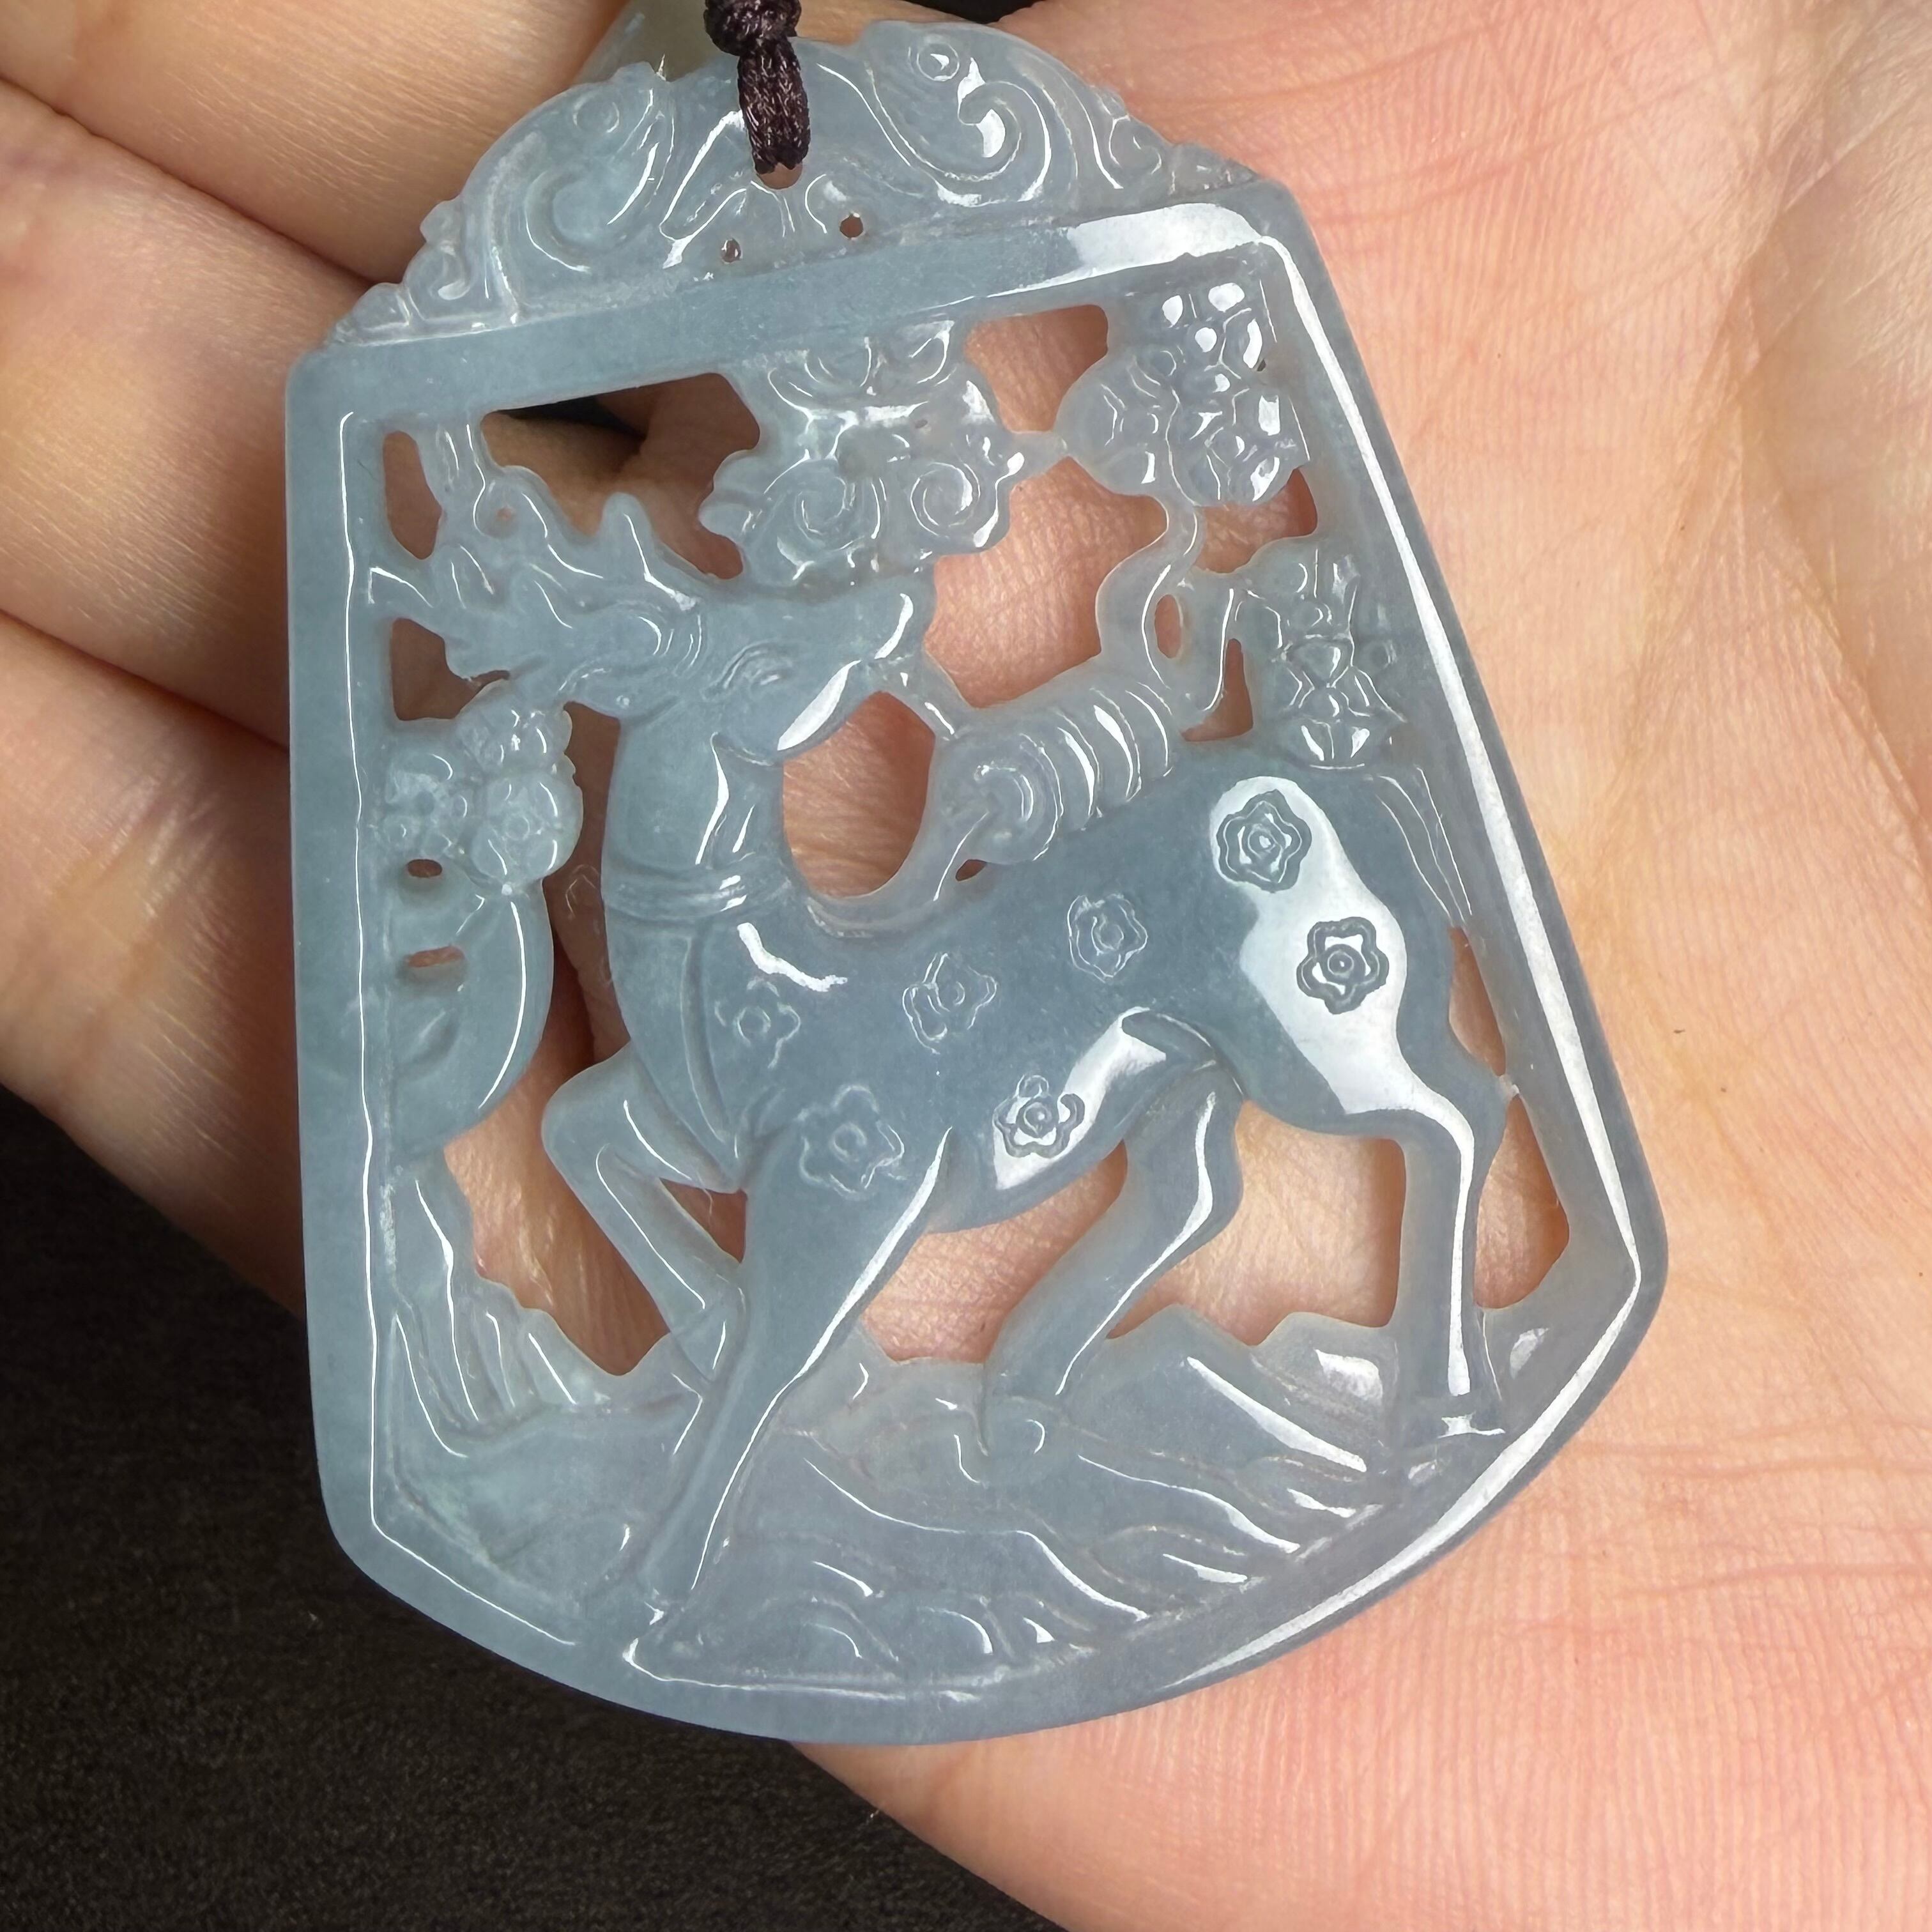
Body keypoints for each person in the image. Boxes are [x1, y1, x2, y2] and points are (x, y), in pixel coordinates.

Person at [0, 0, 1927, 1922]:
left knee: (1362, 1106)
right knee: (600, 1126)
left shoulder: (827, 709)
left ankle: (692, 1518)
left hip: (963, 1006)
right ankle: (870, 1338)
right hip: (801, 969)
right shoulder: (724, 739)